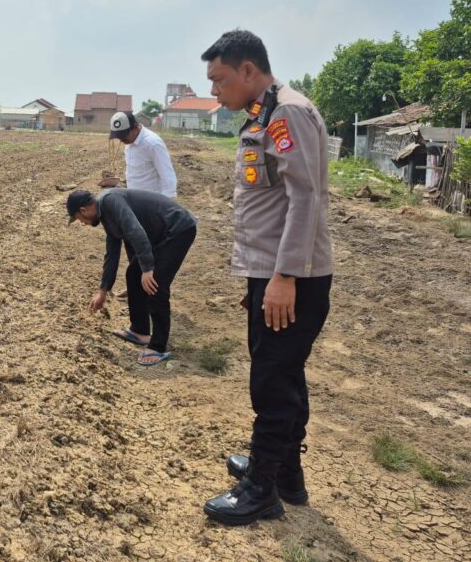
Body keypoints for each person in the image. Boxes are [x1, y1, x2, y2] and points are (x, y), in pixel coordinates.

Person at [199, 29, 333, 527]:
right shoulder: (266, 112)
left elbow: (305, 198)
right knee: (284, 372)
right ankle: (285, 474)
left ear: (248, 70)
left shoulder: (287, 113)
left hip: (291, 276)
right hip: (274, 274)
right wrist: (260, 281)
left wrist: (283, 277)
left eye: (219, 80)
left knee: (272, 381)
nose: (215, 91)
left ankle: (261, 489)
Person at [67, 188, 196, 366]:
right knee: (133, 274)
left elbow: (135, 231)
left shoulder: (110, 201)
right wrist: (103, 291)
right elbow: (112, 253)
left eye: (79, 219)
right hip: (159, 234)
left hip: (178, 228)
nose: (82, 223)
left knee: (155, 284)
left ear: (83, 210)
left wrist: (148, 269)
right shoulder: (105, 214)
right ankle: (140, 331)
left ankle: (158, 346)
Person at [108, 111, 178, 198]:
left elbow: (167, 174)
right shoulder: (129, 143)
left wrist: (166, 201)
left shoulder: (152, 144)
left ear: (135, 127)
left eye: (124, 135)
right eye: (119, 137)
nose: (121, 140)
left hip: (152, 200)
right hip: (135, 198)